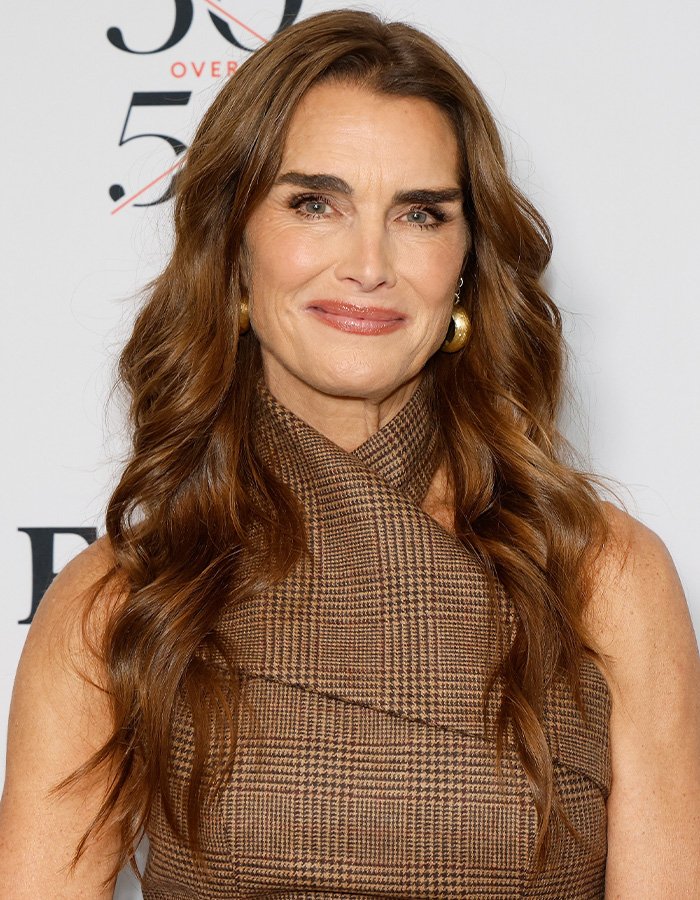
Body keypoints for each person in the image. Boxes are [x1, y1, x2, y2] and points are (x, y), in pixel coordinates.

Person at [1, 8, 699, 898]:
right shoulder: (121, 599)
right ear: (234, 244)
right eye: (314, 204)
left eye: (420, 214)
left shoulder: (601, 575)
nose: (369, 264)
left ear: (467, 262)